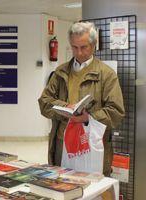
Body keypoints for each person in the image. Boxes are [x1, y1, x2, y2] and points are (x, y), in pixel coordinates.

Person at [38, 22, 125, 176]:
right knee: (63, 186)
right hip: (62, 144)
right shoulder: (60, 72)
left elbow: (116, 111)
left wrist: (89, 118)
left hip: (91, 145)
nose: (78, 52)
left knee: (91, 190)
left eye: (83, 47)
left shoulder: (106, 74)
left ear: (93, 44)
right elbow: (44, 102)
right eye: (74, 47)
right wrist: (65, 108)